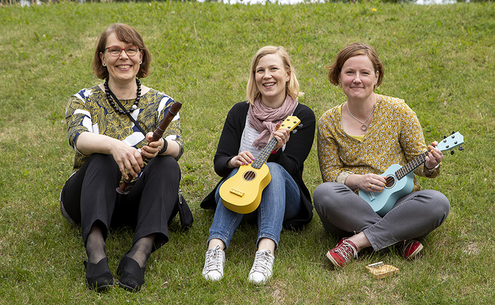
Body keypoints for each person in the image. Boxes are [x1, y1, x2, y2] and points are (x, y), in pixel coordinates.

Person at [60, 23, 183, 292]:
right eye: (114, 50)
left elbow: (177, 146)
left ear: (141, 56)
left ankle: (139, 253)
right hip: (88, 196)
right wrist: (114, 147)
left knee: (168, 163)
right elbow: (78, 139)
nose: (124, 56)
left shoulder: (162, 103)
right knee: (102, 157)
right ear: (102, 57)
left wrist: (160, 146)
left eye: (131, 49)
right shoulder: (83, 99)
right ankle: (96, 253)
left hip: (138, 200)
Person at [313, 42, 450, 268]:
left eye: (364, 73)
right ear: (339, 76)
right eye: (349, 72)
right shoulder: (328, 121)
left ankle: (355, 242)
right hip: (353, 206)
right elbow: (330, 174)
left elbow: (420, 163)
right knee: (324, 194)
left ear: (376, 77)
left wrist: (431, 165)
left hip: (399, 203)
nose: (357, 79)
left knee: (437, 203)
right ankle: (399, 237)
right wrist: (358, 181)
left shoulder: (399, 111)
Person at [200, 46, 315, 285]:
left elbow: (292, 168)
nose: (266, 75)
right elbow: (220, 162)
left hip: (284, 201)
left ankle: (265, 252)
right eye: (259, 70)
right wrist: (233, 160)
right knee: (236, 170)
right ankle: (215, 249)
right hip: (241, 195)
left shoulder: (301, 115)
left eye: (273, 68)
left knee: (273, 170)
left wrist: (275, 150)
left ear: (287, 73)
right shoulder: (240, 112)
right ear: (254, 77)